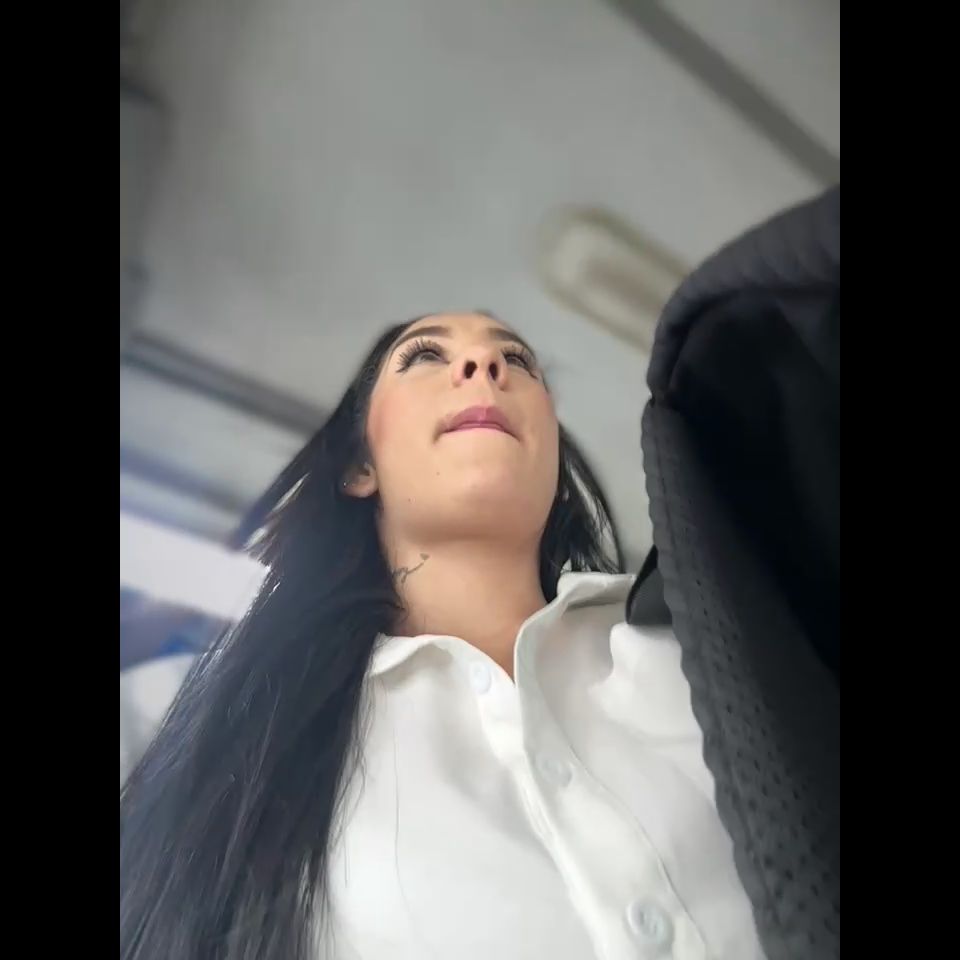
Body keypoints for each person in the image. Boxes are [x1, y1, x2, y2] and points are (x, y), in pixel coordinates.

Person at [120, 189, 840, 960]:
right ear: (359, 467)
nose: (487, 364)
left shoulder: (718, 628)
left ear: (551, 462)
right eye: (425, 356)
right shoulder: (199, 723)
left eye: (517, 360)